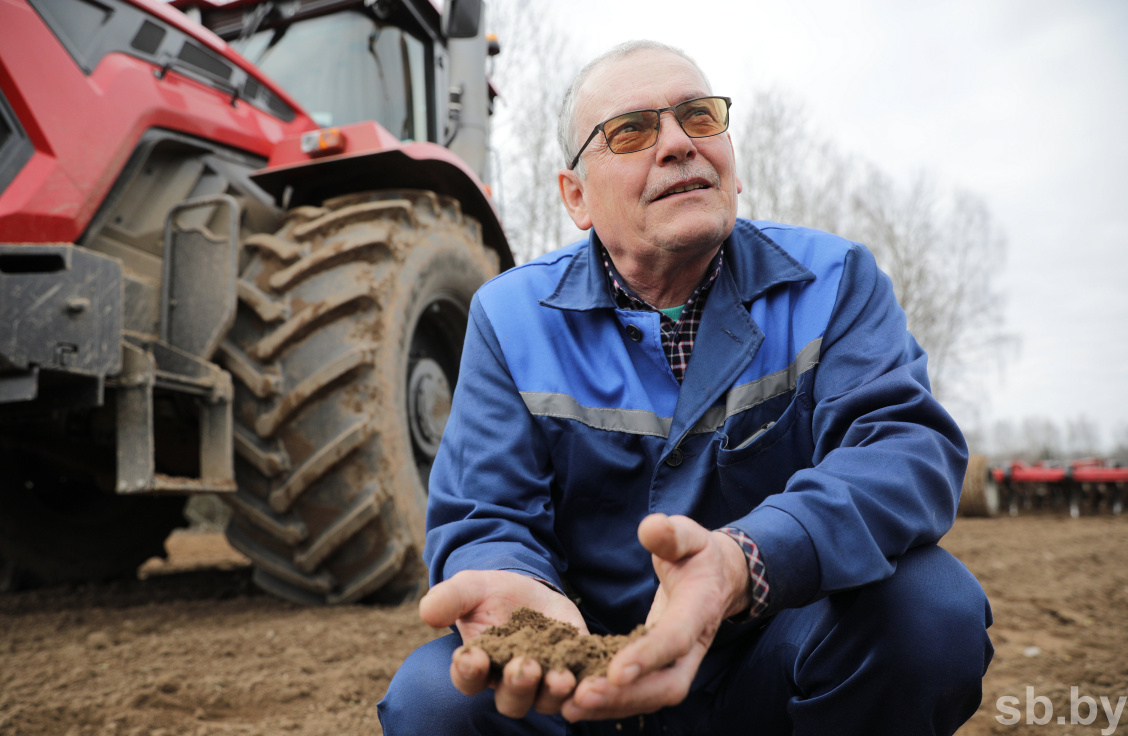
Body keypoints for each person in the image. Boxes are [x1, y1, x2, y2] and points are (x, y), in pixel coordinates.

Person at [378, 39, 993, 736]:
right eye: (632, 130)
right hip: (590, 684)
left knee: (928, 610)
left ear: (730, 160)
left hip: (773, 660)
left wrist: (743, 562)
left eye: (699, 117)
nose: (677, 143)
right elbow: (485, 515)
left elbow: (904, 452)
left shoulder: (834, 280)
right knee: (437, 699)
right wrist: (522, 598)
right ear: (575, 196)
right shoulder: (509, 318)